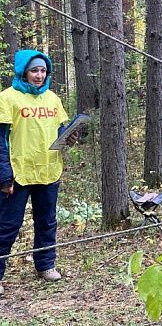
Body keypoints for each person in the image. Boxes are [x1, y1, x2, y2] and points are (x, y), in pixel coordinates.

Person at [0, 50, 78, 296]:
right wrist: (4, 176)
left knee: (47, 222)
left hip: (48, 170)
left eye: (43, 71)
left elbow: (60, 132)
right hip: (18, 174)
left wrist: (71, 136)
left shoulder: (52, 99)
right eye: (34, 70)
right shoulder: (7, 98)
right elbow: (1, 141)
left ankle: (45, 265)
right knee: (7, 226)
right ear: (23, 70)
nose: (39, 75)